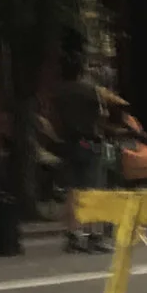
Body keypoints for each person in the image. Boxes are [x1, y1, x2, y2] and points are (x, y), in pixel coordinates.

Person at [50, 51, 106, 253]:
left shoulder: (58, 93)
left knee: (72, 191)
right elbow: (101, 115)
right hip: (88, 143)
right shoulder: (89, 90)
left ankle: (73, 234)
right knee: (92, 190)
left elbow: (52, 119)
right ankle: (94, 235)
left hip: (68, 144)